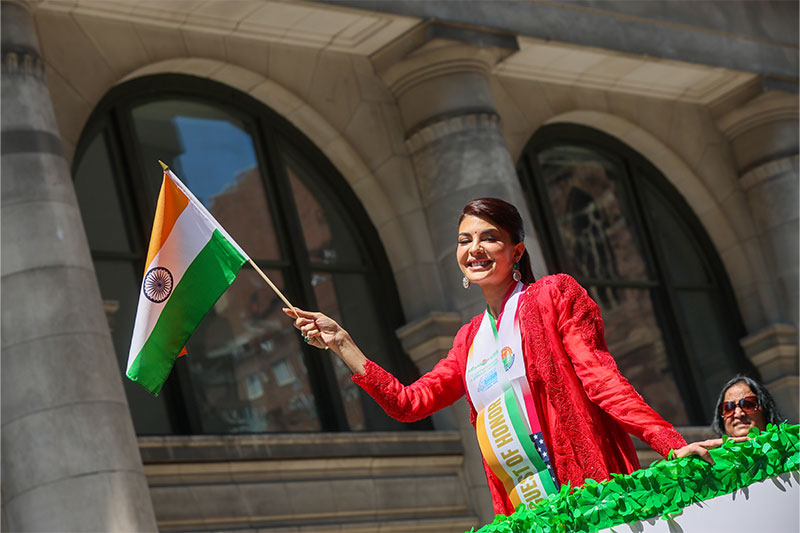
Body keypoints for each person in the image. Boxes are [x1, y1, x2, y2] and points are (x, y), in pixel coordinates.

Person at [285, 197, 723, 515]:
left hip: (588, 494)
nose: (474, 249)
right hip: (526, 511)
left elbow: (600, 378)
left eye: (489, 238)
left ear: (516, 251)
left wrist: (669, 442)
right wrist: (343, 343)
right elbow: (408, 403)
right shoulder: (468, 340)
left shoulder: (554, 296)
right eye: (464, 240)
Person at [712, 375, 782, 438]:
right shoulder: (708, 452)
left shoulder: (790, 448)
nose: (738, 414)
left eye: (748, 405)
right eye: (728, 408)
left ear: (766, 409)